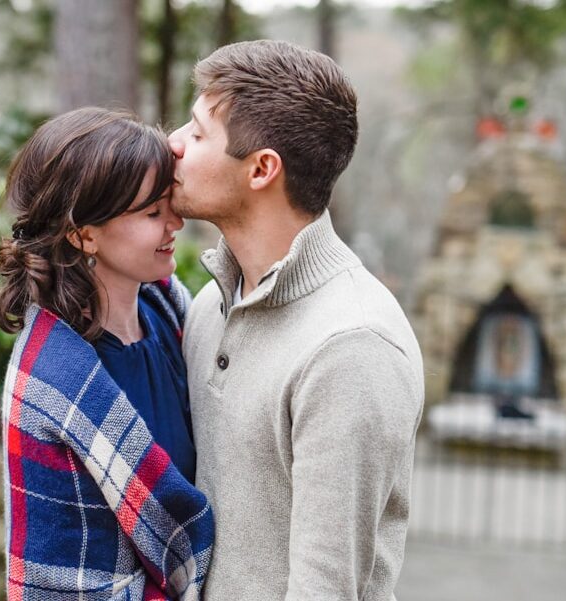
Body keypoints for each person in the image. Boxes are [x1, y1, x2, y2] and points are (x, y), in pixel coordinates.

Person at [168, 40, 424, 600]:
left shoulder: (352, 346)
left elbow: (326, 590)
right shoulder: (210, 304)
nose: (173, 144)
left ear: (262, 169)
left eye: (197, 132)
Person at [0, 107, 214, 601]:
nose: (176, 221)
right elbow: (62, 575)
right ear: (84, 233)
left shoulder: (174, 315)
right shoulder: (54, 379)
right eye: (152, 213)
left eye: (168, 203)